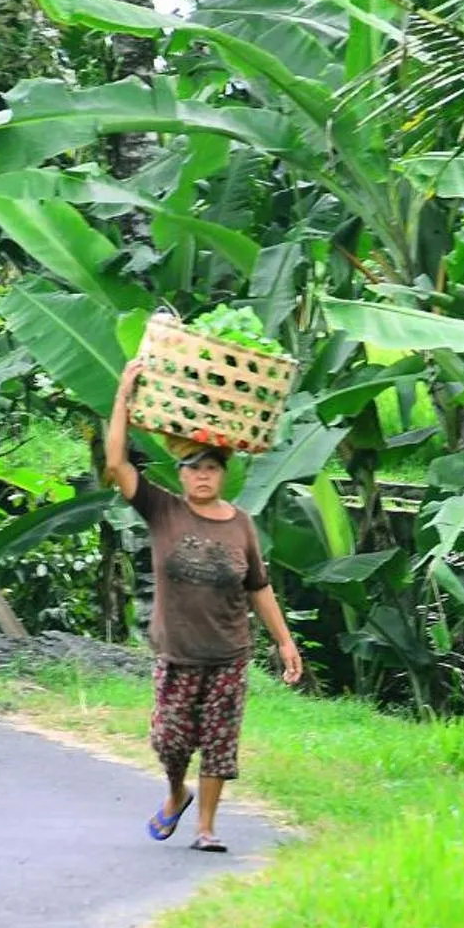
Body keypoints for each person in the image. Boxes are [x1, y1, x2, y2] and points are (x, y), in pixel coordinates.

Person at [106, 357, 302, 852]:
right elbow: (116, 465)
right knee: (170, 742)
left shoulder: (241, 523)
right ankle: (177, 793)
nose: (202, 477)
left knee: (219, 744)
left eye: (211, 468)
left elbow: (258, 586)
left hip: (228, 655)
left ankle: (207, 828)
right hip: (177, 654)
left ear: (223, 474)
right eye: (193, 469)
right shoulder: (163, 509)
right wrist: (123, 397)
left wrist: (284, 642)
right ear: (182, 475)